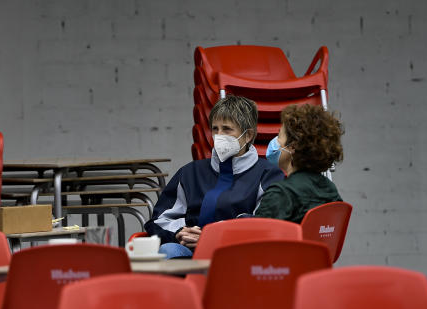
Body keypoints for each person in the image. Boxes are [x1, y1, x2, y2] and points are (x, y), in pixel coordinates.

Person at [144, 95, 284, 258]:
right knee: (168, 251)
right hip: (190, 252)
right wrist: (180, 233)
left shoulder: (268, 174)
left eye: (227, 129)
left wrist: (212, 236)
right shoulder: (189, 173)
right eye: (215, 129)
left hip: (240, 253)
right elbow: (158, 221)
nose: (219, 135)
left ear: (248, 135)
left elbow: (266, 224)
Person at [255, 104, 343, 223]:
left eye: (279, 136)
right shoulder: (331, 191)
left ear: (292, 147)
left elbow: (257, 238)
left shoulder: (280, 194)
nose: (275, 141)